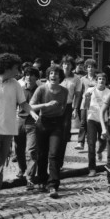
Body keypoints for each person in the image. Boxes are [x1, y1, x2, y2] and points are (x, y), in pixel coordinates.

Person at [0, 54, 39, 217]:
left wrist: (33, 113)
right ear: (7, 68)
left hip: (8, 131)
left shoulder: (15, 84)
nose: (18, 71)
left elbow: (23, 103)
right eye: (16, 68)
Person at [29, 65, 68, 199]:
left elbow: (63, 108)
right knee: (42, 153)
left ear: (60, 77)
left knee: (54, 153)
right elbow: (31, 106)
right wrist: (45, 105)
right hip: (43, 122)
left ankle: (53, 185)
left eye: (56, 74)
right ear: (48, 76)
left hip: (57, 123)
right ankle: (42, 180)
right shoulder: (41, 89)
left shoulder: (64, 91)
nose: (53, 76)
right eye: (51, 73)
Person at [80, 72, 110, 176]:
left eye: (103, 79)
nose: (101, 81)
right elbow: (85, 106)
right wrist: (87, 98)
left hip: (104, 121)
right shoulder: (90, 90)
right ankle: (92, 168)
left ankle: (100, 151)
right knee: (91, 143)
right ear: (96, 81)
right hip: (92, 119)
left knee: (103, 142)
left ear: (106, 81)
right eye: (99, 79)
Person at [14, 67, 40, 188]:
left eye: (31, 75)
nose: (28, 77)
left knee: (31, 150)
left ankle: (30, 178)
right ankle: (21, 168)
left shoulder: (40, 90)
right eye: (26, 75)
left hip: (33, 122)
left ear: (36, 77)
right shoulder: (19, 90)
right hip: (20, 120)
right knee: (19, 148)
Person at [58, 55, 82, 170]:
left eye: (68, 64)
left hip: (67, 107)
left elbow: (77, 95)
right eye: (64, 63)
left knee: (64, 135)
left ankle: (60, 161)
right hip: (54, 107)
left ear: (72, 66)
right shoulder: (56, 75)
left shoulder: (76, 79)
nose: (66, 66)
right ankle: (52, 159)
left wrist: (75, 108)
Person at [76, 59, 99, 151]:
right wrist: (76, 106)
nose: (90, 69)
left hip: (95, 104)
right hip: (85, 103)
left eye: (92, 67)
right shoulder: (82, 79)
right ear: (86, 68)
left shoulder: (98, 78)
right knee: (83, 123)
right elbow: (79, 92)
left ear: (95, 68)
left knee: (92, 123)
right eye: (88, 67)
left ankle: (91, 142)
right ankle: (80, 142)